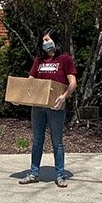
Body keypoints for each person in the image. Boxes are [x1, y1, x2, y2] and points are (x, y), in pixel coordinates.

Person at [18, 29, 78, 188]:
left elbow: (72, 82)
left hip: (56, 106)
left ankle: (59, 175)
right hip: (38, 107)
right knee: (37, 140)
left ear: (54, 41)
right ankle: (33, 173)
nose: (45, 43)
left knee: (57, 142)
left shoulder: (64, 59)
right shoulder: (39, 60)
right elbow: (30, 82)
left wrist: (64, 96)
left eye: (47, 40)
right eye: (43, 41)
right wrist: (18, 97)